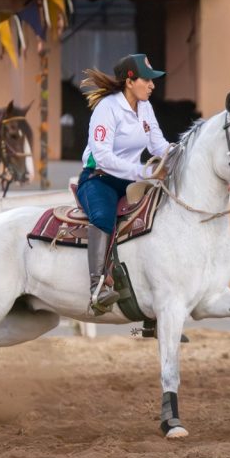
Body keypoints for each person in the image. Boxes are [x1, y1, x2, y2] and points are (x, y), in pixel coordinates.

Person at [77, 54, 170, 312]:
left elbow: (158, 145)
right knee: (103, 216)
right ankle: (98, 288)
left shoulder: (146, 108)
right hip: (99, 178)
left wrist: (180, 154)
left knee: (161, 214)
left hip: (130, 179)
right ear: (130, 81)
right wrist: (143, 173)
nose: (152, 85)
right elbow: (103, 157)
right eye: (147, 80)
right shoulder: (107, 108)